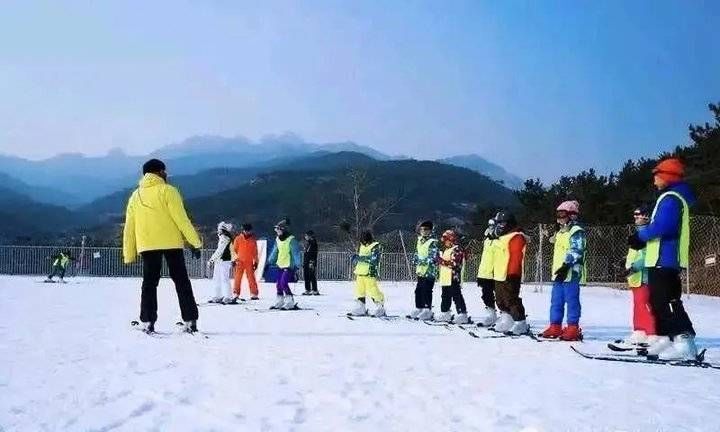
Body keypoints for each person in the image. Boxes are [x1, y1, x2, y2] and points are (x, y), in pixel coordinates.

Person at [122, 158, 203, 334]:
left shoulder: (135, 196)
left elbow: (129, 227)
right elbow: (182, 219)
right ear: (158, 172)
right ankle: (190, 320)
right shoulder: (169, 191)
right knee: (181, 281)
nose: (166, 174)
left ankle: (147, 321)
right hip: (172, 243)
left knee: (149, 283)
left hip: (147, 246)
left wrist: (129, 253)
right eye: (164, 171)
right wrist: (195, 242)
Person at [628, 158, 697, 360]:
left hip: (665, 259)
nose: (654, 179)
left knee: (667, 301)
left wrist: (640, 235)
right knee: (657, 300)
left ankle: (684, 341)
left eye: (657, 175)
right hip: (657, 259)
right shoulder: (668, 197)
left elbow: (664, 226)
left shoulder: (671, 198)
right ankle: (665, 337)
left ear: (667, 176)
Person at [612, 205, 657, 349]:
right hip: (635, 277)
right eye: (635, 215)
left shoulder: (649, 233)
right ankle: (639, 331)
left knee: (645, 304)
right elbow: (635, 253)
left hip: (644, 275)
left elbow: (648, 256)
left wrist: (634, 268)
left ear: (647, 216)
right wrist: (625, 261)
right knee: (637, 305)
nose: (636, 218)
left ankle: (652, 333)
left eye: (640, 215)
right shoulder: (638, 233)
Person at [540, 200, 586, 341]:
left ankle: (573, 327)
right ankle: (555, 325)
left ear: (572, 215)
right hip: (558, 273)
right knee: (556, 300)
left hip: (570, 272)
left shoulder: (576, 231)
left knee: (571, 300)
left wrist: (567, 265)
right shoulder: (561, 231)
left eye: (563, 214)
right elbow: (554, 241)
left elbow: (577, 249)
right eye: (558, 214)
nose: (559, 217)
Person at [490, 211, 529, 335]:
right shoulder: (501, 237)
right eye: (499, 223)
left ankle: (520, 322)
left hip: (510, 274)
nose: (500, 226)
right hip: (499, 274)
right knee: (500, 299)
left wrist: (512, 272)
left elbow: (516, 255)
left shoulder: (516, 236)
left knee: (511, 298)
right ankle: (507, 319)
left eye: (503, 223)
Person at [267, 219, 302, 310]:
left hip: (289, 265)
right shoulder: (278, 239)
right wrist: (269, 261)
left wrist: (298, 265)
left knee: (283, 283)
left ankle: (290, 301)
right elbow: (275, 251)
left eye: (279, 230)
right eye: (276, 230)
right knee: (278, 284)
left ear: (283, 230)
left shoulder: (291, 240)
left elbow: (296, 253)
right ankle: (280, 300)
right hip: (280, 264)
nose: (277, 232)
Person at [349, 230, 386, 317]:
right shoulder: (362, 246)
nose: (363, 239)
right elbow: (361, 258)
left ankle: (380, 307)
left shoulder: (375, 246)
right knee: (359, 291)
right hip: (360, 272)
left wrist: (360, 258)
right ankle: (361, 307)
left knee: (373, 290)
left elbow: (374, 259)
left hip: (369, 272)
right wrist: (355, 259)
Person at [436, 229, 468, 323]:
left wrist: (441, 261)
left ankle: (462, 313)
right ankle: (445, 312)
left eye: (446, 240)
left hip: (453, 277)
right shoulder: (447, 250)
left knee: (456, 295)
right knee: (445, 296)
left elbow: (455, 264)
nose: (445, 243)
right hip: (445, 278)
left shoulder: (457, 249)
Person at [409, 220, 439, 320]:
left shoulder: (433, 242)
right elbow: (418, 252)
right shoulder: (420, 240)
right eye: (421, 229)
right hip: (421, 271)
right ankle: (419, 307)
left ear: (430, 230)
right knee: (418, 290)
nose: (423, 231)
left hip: (429, 271)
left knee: (427, 290)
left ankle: (427, 309)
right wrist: (415, 259)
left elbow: (433, 257)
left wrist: (420, 261)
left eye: (425, 229)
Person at [208, 221, 236, 304]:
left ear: (222, 229)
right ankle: (217, 296)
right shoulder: (223, 237)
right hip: (220, 261)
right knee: (217, 278)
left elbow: (219, 250)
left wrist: (212, 259)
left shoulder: (225, 238)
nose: (218, 230)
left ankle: (228, 297)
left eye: (219, 228)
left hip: (224, 261)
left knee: (224, 279)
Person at [476, 218, 498, 326]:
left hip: (497, 272)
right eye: (490, 226)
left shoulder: (500, 240)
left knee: (502, 295)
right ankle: (491, 314)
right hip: (485, 271)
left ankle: (507, 315)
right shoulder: (487, 240)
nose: (491, 228)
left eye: (493, 226)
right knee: (486, 294)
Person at [233, 223, 260, 300]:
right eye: (246, 230)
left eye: (248, 231)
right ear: (243, 230)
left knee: (251, 278)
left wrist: (256, 262)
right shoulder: (238, 239)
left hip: (249, 261)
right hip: (239, 261)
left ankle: (254, 293)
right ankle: (236, 293)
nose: (247, 232)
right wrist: (234, 260)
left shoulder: (253, 240)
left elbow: (255, 252)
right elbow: (234, 250)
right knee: (237, 278)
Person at [302, 230, 320, 295]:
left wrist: (312, 261)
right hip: (306, 262)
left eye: (306, 235)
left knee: (312, 276)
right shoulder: (308, 243)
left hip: (311, 262)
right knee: (306, 276)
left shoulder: (313, 243)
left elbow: (313, 254)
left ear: (310, 236)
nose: (305, 237)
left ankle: (315, 289)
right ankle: (307, 289)